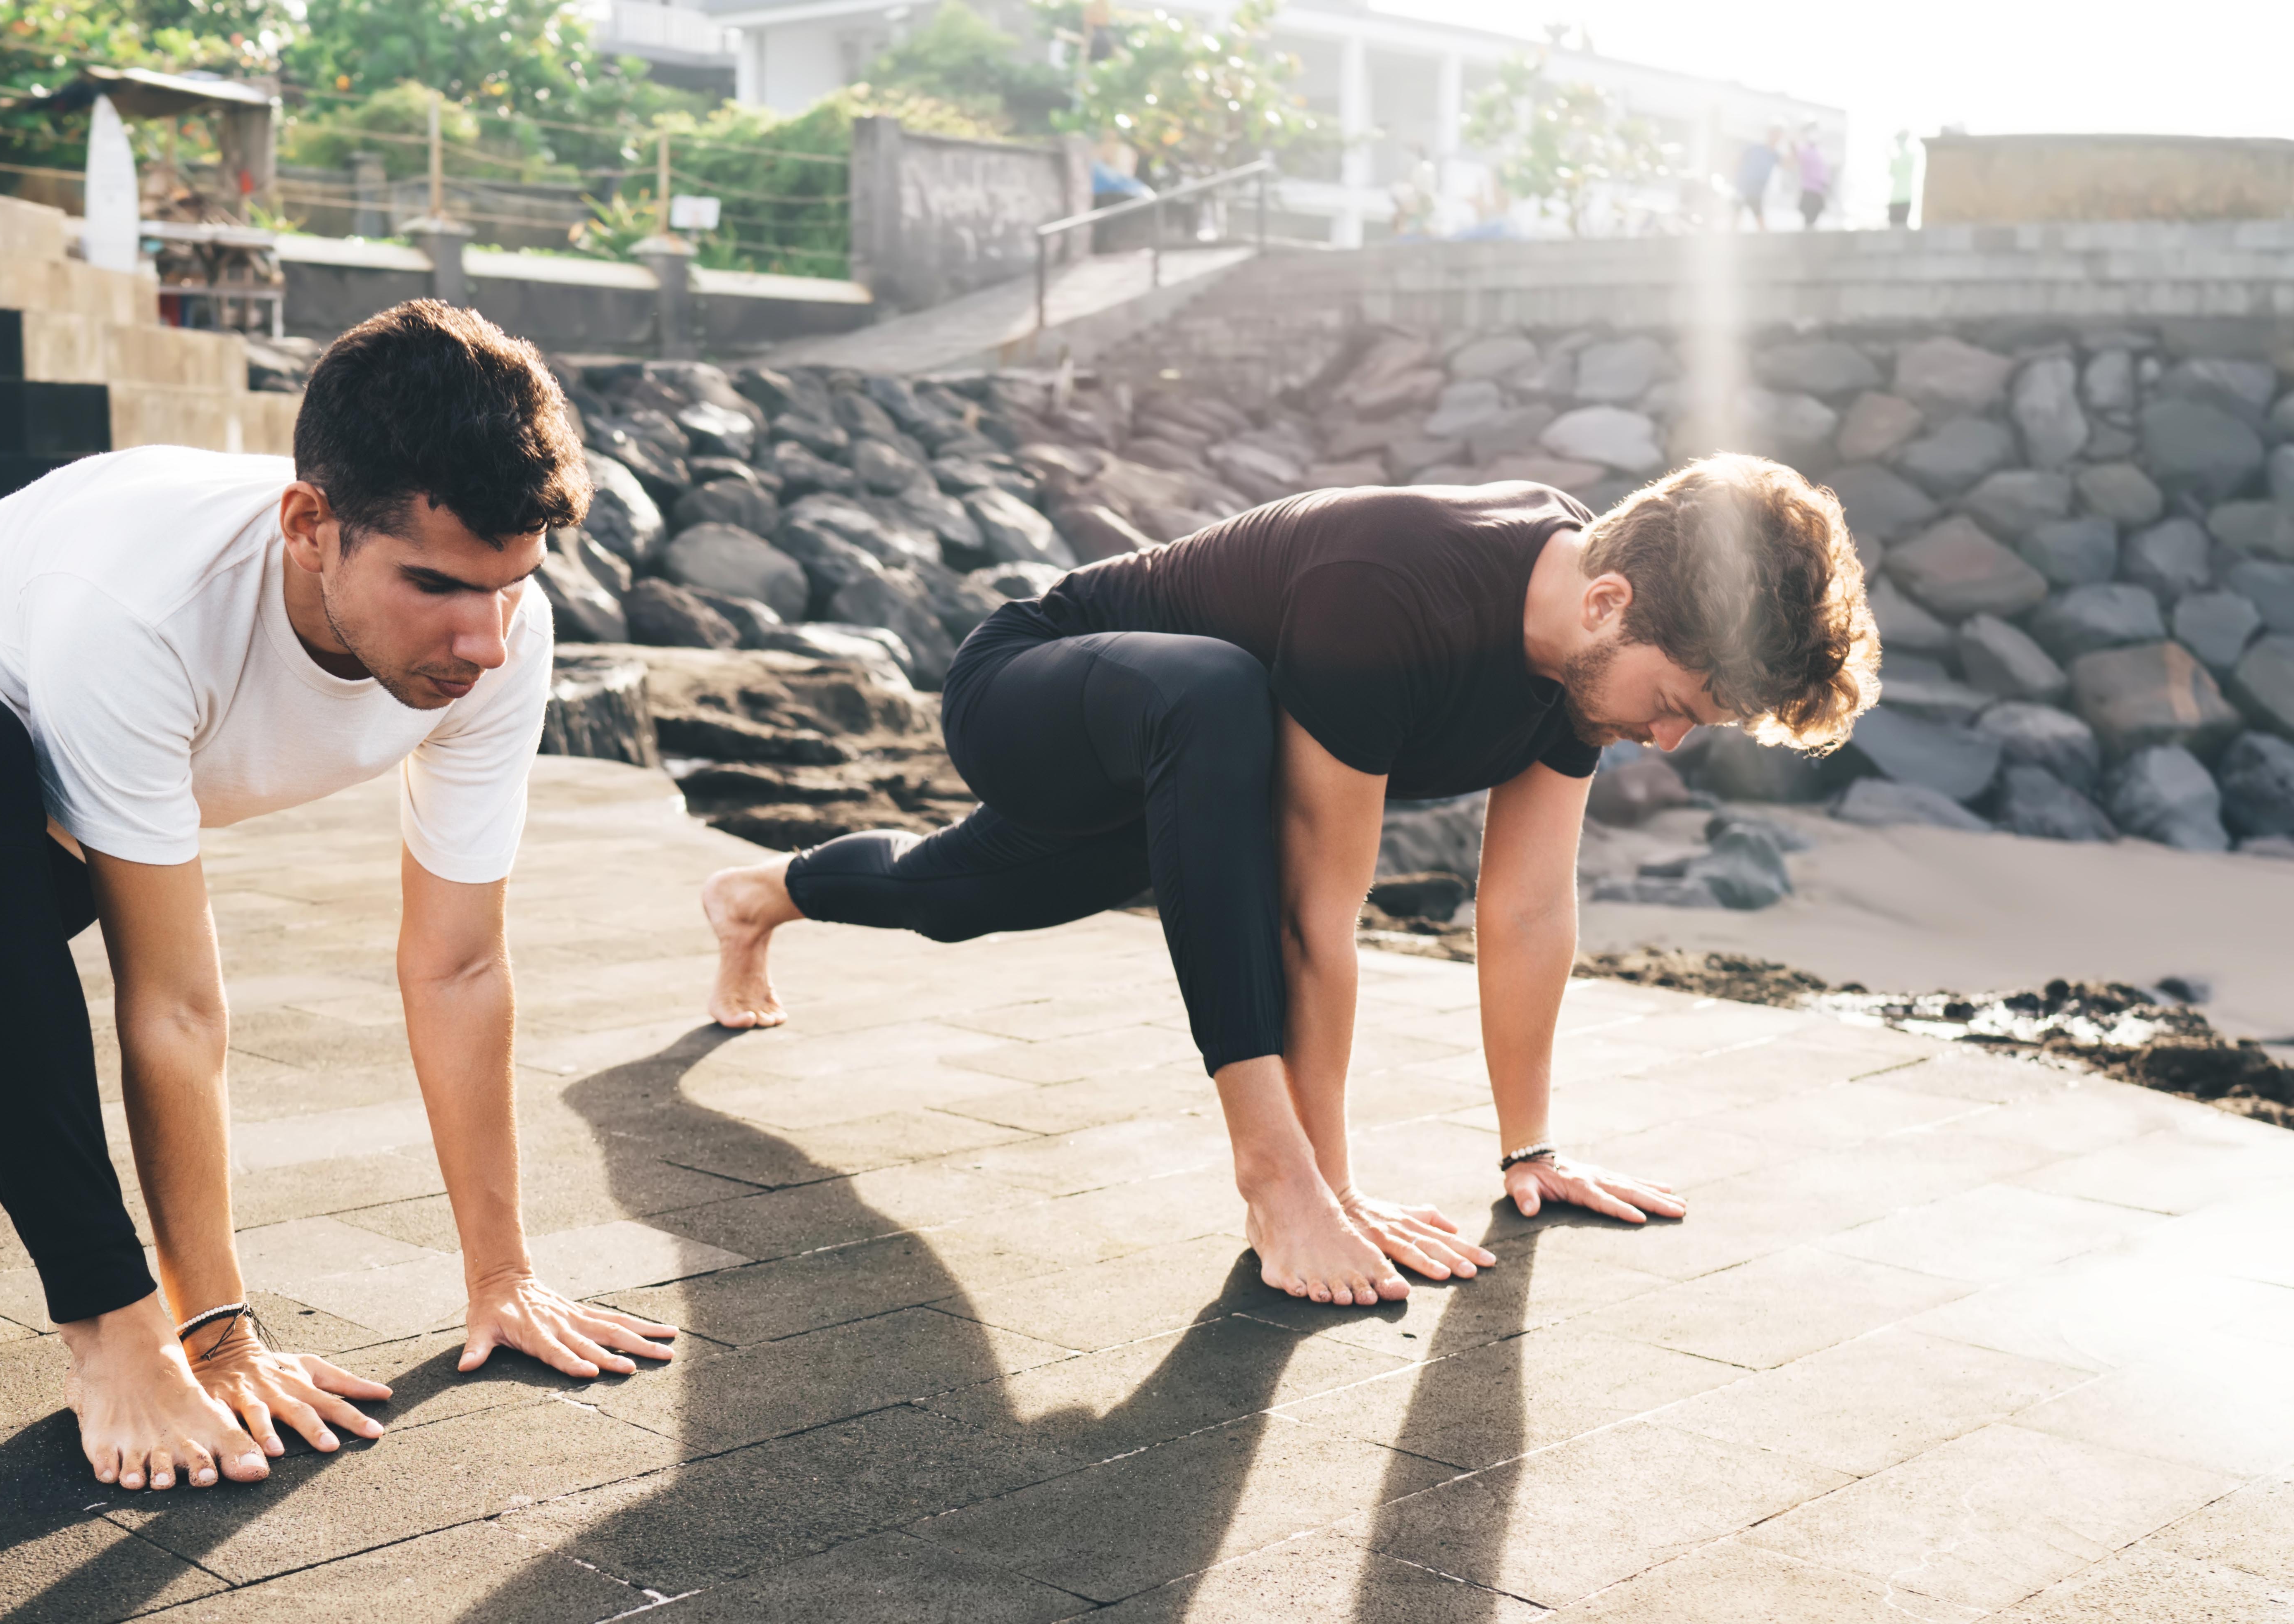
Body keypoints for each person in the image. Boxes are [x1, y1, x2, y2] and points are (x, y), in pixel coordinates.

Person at [0, 301, 676, 1493]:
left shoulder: (498, 629)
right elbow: (176, 1005)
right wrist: (209, 1333)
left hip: (22, 821)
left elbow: (458, 964)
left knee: (20, 898)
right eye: (435, 584)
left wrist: (503, 1277)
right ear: (308, 525)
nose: (481, 640)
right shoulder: (148, 604)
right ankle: (106, 1336)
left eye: (510, 587)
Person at [702, 457, 1880, 1307]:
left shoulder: (1581, 650)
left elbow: (1524, 908)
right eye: (1672, 707)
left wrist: (1529, 1151)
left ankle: (760, 897)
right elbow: (1314, 917)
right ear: (1608, 606)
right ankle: (1267, 1172)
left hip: (1188, 783)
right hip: (1034, 693)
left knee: (952, 895)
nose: (1666, 743)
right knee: (1214, 694)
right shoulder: (1397, 590)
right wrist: (1319, 1187)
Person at [1734, 130, 1781, 230]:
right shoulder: (1756, 148)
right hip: (1744, 188)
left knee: (1760, 221)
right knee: (1736, 216)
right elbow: (1739, 158)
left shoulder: (1775, 154)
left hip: (1757, 192)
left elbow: (1787, 164)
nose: (1776, 138)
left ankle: (1765, 242)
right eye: (1774, 135)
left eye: (1778, 136)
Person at [1794, 129, 1832, 230]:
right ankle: (1808, 237)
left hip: (1816, 191)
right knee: (1809, 220)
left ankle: (1809, 236)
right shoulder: (1807, 151)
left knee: (1811, 220)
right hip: (1811, 191)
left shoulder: (1819, 153)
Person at [1887, 128, 1918, 229]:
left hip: (1904, 197)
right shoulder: (1897, 159)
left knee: (1900, 225)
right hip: (1895, 198)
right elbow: (1892, 172)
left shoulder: (1909, 157)